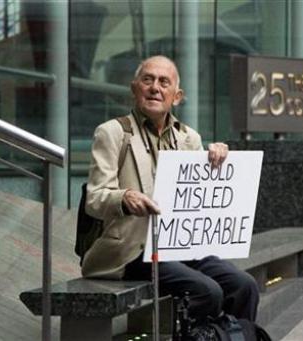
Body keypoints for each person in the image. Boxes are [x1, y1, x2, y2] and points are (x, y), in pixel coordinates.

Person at [81, 55, 259, 323]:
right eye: (147, 80)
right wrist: (125, 198)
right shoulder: (112, 133)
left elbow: (202, 197)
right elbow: (94, 199)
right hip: (132, 250)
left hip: (180, 246)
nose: (155, 87)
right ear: (134, 89)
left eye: (164, 82)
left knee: (244, 285)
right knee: (207, 292)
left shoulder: (190, 138)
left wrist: (218, 158)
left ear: (176, 96)